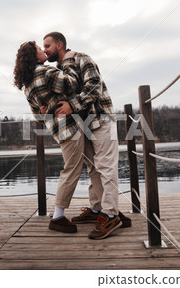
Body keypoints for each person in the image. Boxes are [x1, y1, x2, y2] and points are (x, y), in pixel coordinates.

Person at [43, 32, 131, 240]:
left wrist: (72, 105)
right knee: (93, 167)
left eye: (47, 46)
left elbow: (94, 86)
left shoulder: (81, 58)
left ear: (59, 45)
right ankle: (96, 209)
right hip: (83, 125)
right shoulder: (59, 71)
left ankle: (111, 215)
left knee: (106, 166)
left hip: (101, 119)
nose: (45, 50)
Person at [13, 41, 87, 234]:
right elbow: (74, 83)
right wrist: (69, 62)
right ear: (34, 56)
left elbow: (38, 116)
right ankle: (58, 216)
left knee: (76, 167)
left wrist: (46, 108)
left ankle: (96, 209)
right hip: (70, 127)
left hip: (58, 131)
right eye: (39, 48)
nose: (43, 50)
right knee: (71, 170)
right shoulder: (45, 72)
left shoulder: (27, 84)